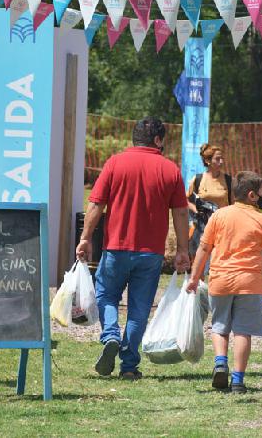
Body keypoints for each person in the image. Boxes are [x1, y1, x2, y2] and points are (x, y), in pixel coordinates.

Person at [75, 117, 190, 381]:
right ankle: (129, 365)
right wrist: (182, 249)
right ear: (158, 140)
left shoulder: (115, 163)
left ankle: (111, 335)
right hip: (151, 253)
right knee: (139, 309)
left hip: (116, 248)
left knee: (105, 295)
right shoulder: (170, 169)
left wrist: (85, 238)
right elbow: (181, 213)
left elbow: (95, 205)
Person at [186, 171, 262, 393]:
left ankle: (220, 362)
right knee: (243, 331)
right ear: (251, 195)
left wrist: (194, 277)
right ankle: (238, 380)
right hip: (250, 283)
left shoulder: (219, 216)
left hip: (220, 280)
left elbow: (204, 248)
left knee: (219, 326)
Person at [186, 143, 232, 266]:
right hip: (202, 225)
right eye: (217, 159)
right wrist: (197, 211)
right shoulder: (198, 179)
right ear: (207, 161)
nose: (221, 161)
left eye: (222, 158)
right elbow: (187, 201)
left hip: (223, 226)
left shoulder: (229, 180)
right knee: (198, 257)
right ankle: (198, 282)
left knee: (220, 258)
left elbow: (234, 203)